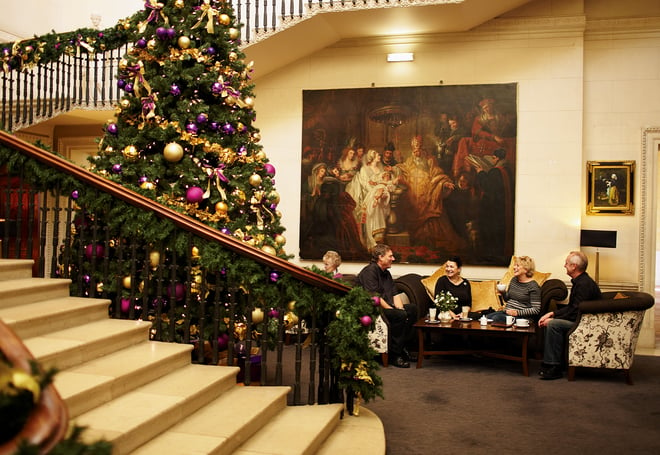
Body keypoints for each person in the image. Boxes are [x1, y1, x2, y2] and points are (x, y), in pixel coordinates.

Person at [537, 251, 602, 380]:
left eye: (566, 263)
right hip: (580, 318)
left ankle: (554, 367)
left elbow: (575, 311)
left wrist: (553, 319)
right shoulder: (581, 281)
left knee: (554, 325)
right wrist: (552, 313)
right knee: (552, 321)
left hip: (585, 323)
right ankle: (550, 362)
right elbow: (573, 307)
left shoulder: (584, 285)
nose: (564, 266)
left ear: (574, 266)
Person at [357, 244, 418, 368]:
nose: (393, 258)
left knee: (412, 309)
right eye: (390, 256)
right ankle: (394, 355)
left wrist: (401, 310)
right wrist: (395, 311)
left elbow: (395, 295)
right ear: (380, 257)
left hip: (386, 307)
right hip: (373, 310)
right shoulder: (370, 272)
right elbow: (375, 297)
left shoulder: (387, 274)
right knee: (399, 315)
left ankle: (402, 348)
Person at [489, 256, 541, 323]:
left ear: (526, 269)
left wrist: (517, 313)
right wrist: (503, 292)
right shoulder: (514, 280)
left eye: (517, 265)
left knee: (496, 318)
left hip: (522, 317)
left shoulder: (533, 286)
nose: (514, 267)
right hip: (507, 312)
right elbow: (507, 299)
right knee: (487, 318)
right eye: (515, 265)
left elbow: (536, 309)